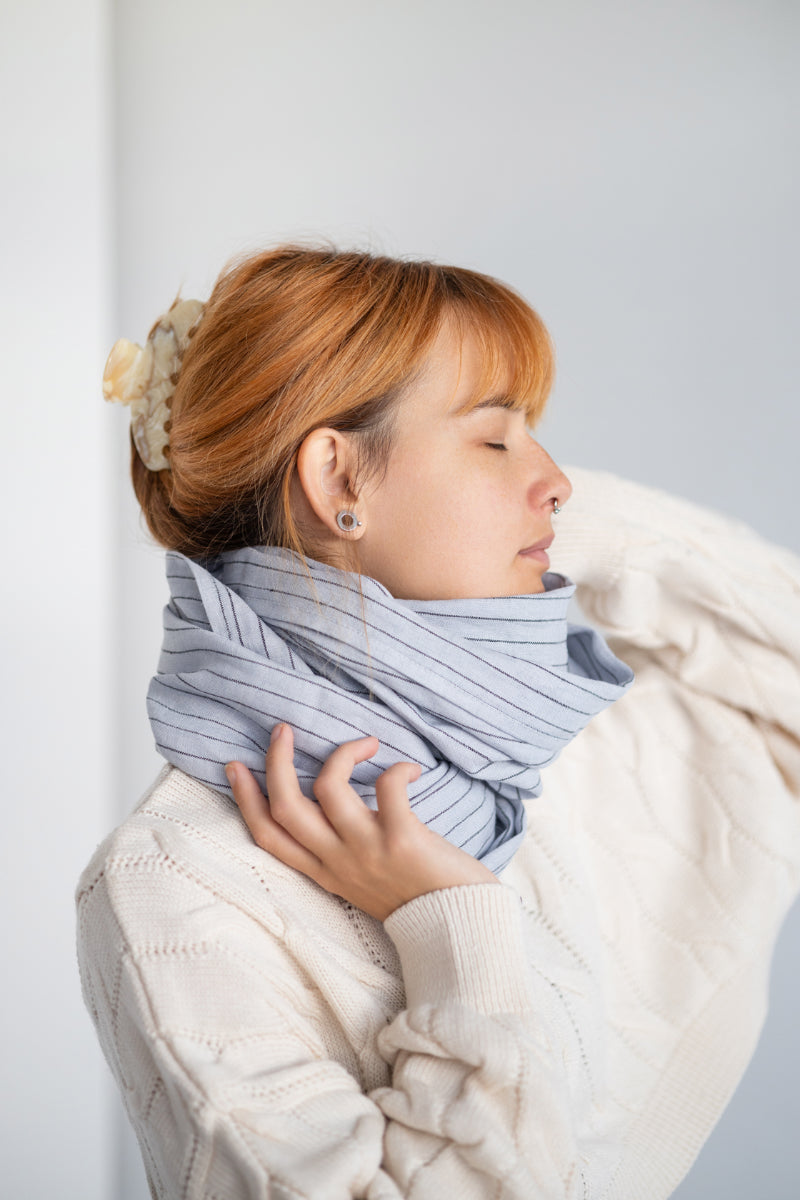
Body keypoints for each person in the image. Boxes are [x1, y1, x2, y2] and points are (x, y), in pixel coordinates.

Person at [77, 245, 800, 1200]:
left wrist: (550, 538)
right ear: (338, 480)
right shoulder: (175, 883)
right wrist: (445, 922)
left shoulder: (537, 747)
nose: (559, 480)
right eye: (496, 440)